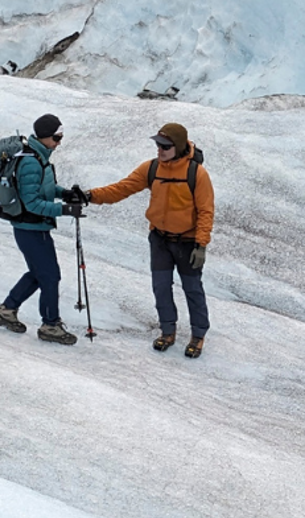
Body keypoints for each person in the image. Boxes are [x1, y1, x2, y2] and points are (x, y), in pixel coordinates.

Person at [84, 120, 215, 357]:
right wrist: (89, 196)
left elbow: (206, 211)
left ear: (178, 146)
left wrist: (201, 244)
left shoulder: (197, 174)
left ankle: (198, 335)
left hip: (187, 242)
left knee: (192, 288)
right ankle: (168, 331)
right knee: (161, 287)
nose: (160, 150)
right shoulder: (152, 168)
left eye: (165, 146)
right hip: (160, 240)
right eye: (158, 145)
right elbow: (121, 189)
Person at [0, 114, 78, 345]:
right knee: (49, 275)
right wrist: (65, 210)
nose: (59, 142)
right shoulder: (31, 161)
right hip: (29, 227)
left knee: (41, 273)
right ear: (45, 136)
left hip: (34, 227)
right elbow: (32, 203)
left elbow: (44, 187)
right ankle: (50, 325)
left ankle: (7, 310)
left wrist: (65, 193)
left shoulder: (39, 155)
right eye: (57, 138)